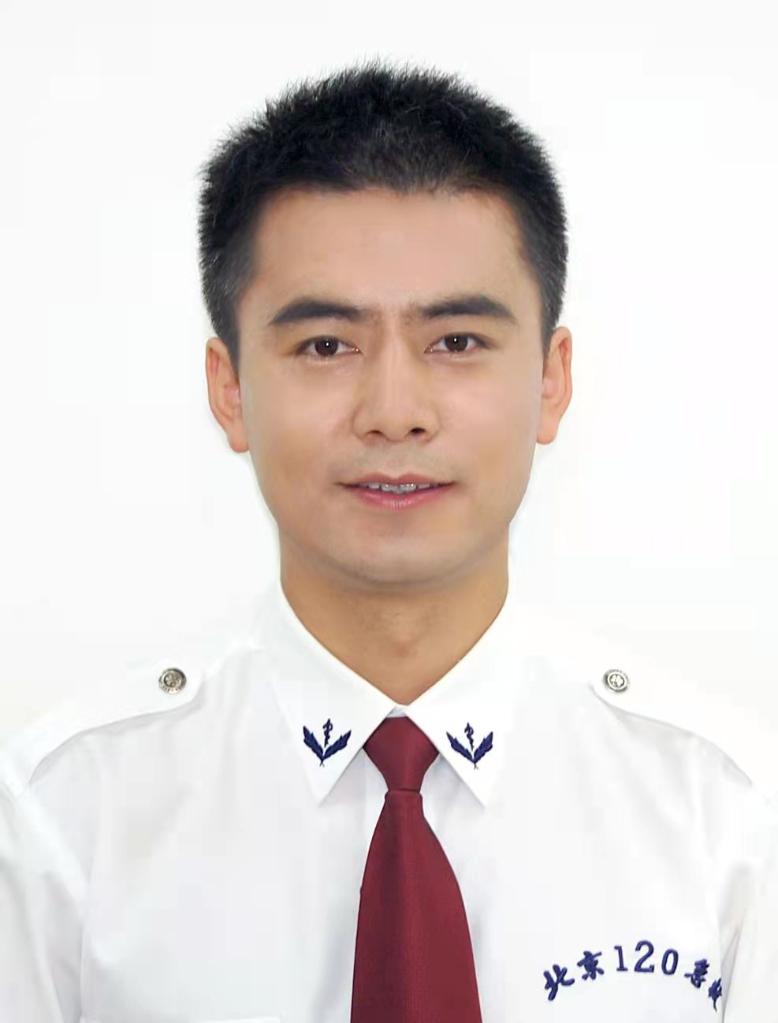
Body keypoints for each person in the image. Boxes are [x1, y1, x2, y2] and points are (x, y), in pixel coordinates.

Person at [2, 56, 776, 1023]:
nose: (395, 410)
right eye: (326, 345)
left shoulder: (726, 812)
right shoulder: (61, 818)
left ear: (552, 380)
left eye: (457, 341)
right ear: (229, 389)